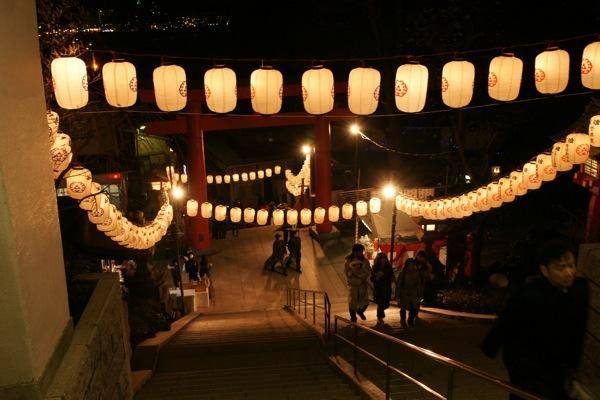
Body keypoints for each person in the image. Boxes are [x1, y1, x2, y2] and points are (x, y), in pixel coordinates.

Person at [481, 240, 589, 399]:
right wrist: (490, 346)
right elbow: (506, 321)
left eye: (571, 266)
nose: (568, 272)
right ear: (545, 270)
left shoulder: (579, 290)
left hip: (556, 361)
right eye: (560, 268)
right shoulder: (529, 293)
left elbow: (578, 328)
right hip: (526, 360)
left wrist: (573, 364)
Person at [344, 243, 371, 322]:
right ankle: (353, 318)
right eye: (359, 251)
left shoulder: (365, 261)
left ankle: (360, 311)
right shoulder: (348, 261)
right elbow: (347, 273)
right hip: (353, 285)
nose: (360, 253)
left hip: (363, 284)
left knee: (365, 301)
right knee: (352, 302)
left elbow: (368, 270)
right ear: (354, 251)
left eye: (361, 251)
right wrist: (354, 277)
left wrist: (364, 277)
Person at [396, 258, 423, 328]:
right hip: (404, 292)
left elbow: (419, 285)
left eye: (412, 265)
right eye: (409, 265)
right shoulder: (403, 273)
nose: (411, 266)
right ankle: (403, 320)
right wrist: (397, 295)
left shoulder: (416, 273)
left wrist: (420, 295)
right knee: (403, 308)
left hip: (413, 293)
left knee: (413, 308)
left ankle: (410, 320)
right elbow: (399, 284)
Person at [370, 252, 394, 326]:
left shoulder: (389, 267)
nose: (383, 260)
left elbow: (392, 275)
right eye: (381, 259)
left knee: (386, 304)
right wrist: (377, 277)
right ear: (379, 260)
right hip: (379, 289)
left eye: (384, 259)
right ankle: (379, 317)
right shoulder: (375, 267)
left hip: (387, 288)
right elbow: (372, 278)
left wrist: (392, 279)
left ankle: (381, 312)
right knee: (380, 303)